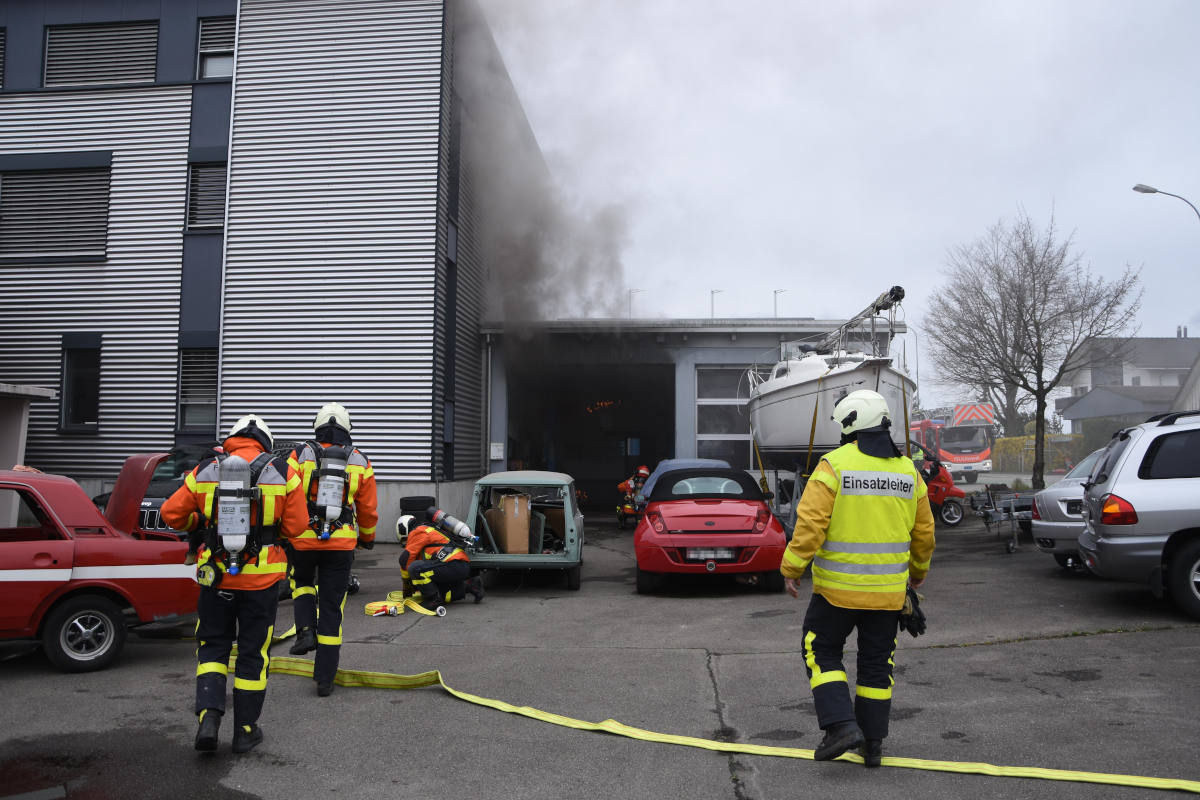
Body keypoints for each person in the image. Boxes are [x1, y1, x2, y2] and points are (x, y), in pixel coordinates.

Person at [780, 390, 936, 767]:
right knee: (876, 664)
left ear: (849, 423)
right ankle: (873, 744)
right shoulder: (908, 472)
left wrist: (792, 567)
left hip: (837, 593)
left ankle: (839, 726)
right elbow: (925, 534)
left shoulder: (834, 466)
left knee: (820, 650)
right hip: (887, 597)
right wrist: (917, 574)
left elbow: (811, 524)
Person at [161, 414, 308, 754]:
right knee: (253, 653)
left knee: (212, 648)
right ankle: (244, 730)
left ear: (232, 438)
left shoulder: (207, 469)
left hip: (216, 578)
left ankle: (209, 719)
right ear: (266, 442)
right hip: (262, 582)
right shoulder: (285, 472)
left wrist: (200, 519)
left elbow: (171, 514)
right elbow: (298, 527)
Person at [286, 402, 378, 697]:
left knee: (300, 583)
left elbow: (285, 494)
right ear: (347, 430)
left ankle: (304, 632)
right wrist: (367, 537)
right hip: (340, 543)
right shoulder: (359, 461)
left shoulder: (299, 455)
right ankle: (324, 679)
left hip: (302, 538)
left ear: (317, 426)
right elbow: (368, 508)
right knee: (331, 607)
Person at [397, 509, 483, 609]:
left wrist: (406, 584)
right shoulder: (429, 529)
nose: (406, 543)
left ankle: (434, 599)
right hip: (458, 565)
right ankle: (471, 585)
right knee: (443, 594)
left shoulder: (418, 532)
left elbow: (405, 560)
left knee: (415, 569)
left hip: (453, 564)